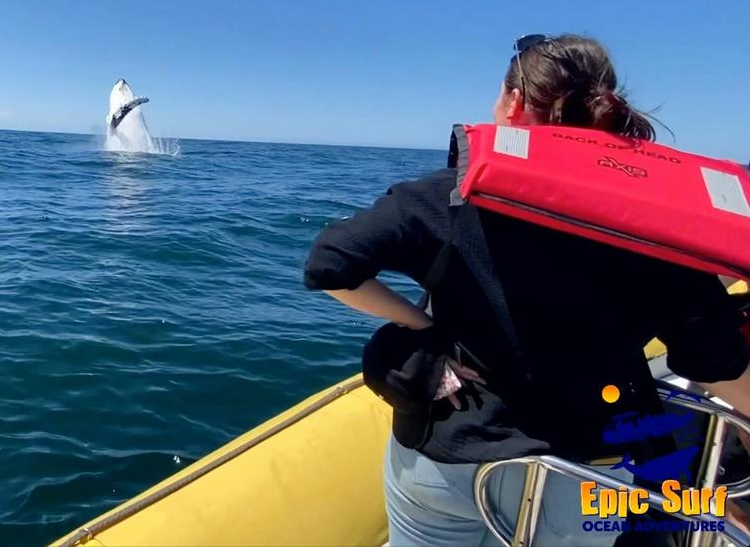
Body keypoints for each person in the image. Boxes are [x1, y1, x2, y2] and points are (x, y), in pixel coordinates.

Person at [303, 34, 750, 546]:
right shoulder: (657, 228)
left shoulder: (447, 196)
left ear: (513, 102)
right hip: (576, 474)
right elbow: (716, 361)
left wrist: (421, 326)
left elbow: (330, 264)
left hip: (444, 457)